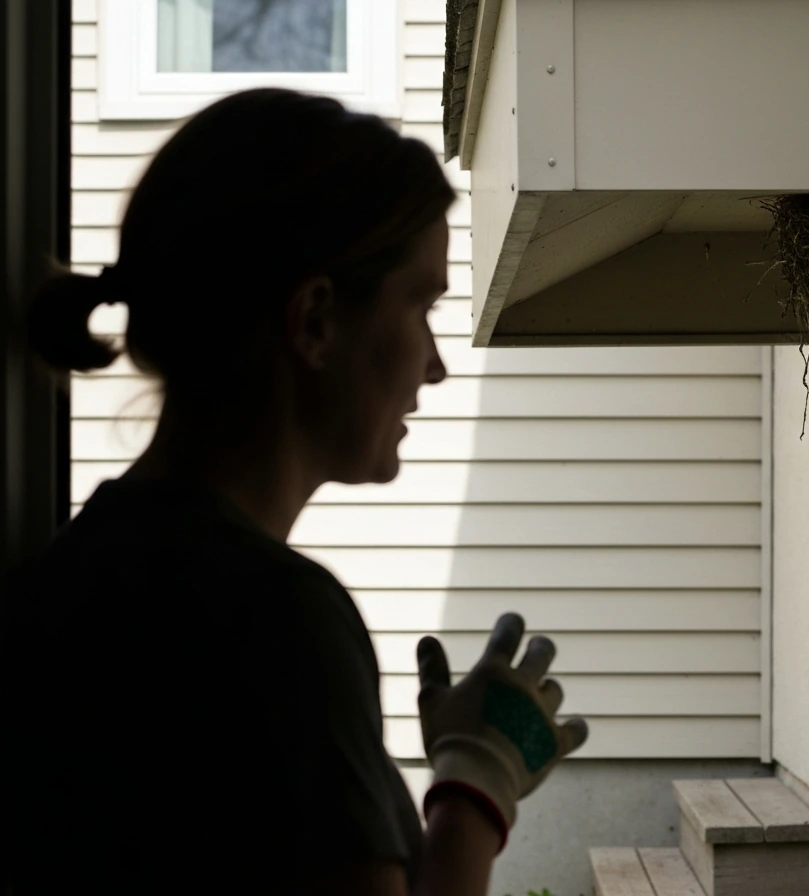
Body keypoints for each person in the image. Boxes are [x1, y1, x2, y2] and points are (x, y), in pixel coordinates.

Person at [2, 88, 588, 895]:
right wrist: (474, 789)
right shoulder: (272, 623)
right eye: (420, 305)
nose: (435, 363)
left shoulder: (79, 575)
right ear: (314, 320)